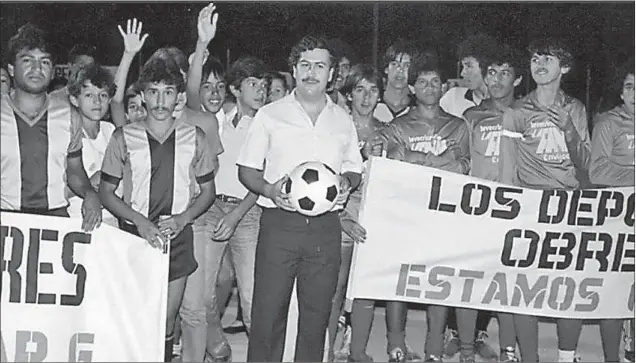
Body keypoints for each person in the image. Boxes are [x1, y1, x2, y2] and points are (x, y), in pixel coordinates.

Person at [237, 34, 363, 361]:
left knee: (316, 318)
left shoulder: (342, 119)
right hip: (280, 226)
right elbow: (247, 170)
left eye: (320, 65)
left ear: (332, 73)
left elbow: (354, 167)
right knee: (267, 316)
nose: (311, 72)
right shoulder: (270, 114)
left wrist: (346, 183)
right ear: (293, 69)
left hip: (325, 229)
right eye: (305, 64)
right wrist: (269, 191)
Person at [99, 55, 218, 363]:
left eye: (168, 91)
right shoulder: (124, 136)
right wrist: (138, 221)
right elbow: (106, 191)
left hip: (176, 239)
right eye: (153, 91)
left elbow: (208, 191)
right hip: (134, 239)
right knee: (136, 316)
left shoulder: (196, 137)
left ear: (178, 95)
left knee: (166, 318)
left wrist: (183, 218)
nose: (160, 99)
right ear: (143, 95)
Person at [366, 54, 470, 363]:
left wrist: (418, 157)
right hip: (407, 214)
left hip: (443, 215)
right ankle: (395, 345)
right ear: (413, 87)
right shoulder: (398, 125)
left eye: (435, 82)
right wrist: (440, 161)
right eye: (422, 82)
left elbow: (465, 166)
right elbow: (391, 158)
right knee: (401, 281)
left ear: (443, 87)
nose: (428, 87)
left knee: (438, 282)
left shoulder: (458, 125)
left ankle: (434, 347)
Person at [499, 38, 591, 363]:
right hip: (529, 207)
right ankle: (529, 358)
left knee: (569, 284)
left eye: (548, 58)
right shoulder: (516, 112)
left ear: (564, 67)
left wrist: (569, 130)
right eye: (535, 57)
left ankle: (567, 355)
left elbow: (586, 167)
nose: (539, 63)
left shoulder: (576, 109)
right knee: (526, 287)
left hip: (568, 207)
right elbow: (507, 171)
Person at [1, 23, 101, 231]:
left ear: (53, 71)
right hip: (7, 222)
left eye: (44, 62)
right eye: (27, 60)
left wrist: (89, 193)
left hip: (55, 224)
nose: (37, 69)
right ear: (11, 68)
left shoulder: (69, 115)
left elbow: (74, 169)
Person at [462, 44, 524, 363]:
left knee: (510, 285)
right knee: (475, 281)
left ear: (518, 78)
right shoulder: (472, 116)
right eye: (491, 72)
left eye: (505, 73)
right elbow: (461, 163)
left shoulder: (528, 114)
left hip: (517, 211)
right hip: (479, 210)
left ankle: (508, 348)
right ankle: (467, 347)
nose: (497, 79)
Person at [321, 63, 386, 362]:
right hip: (340, 213)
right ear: (348, 93)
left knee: (365, 288)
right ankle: (326, 350)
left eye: (373, 90)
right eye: (360, 89)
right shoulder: (335, 127)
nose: (366, 96)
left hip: (373, 216)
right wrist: (339, 217)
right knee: (335, 288)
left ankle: (355, 349)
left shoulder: (387, 132)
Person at [589, 60, 634, 363]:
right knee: (618, 289)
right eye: (630, 87)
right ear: (621, 92)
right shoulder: (609, 123)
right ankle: (617, 352)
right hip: (620, 218)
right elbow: (598, 171)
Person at [66, 63, 119, 227]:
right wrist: (89, 184)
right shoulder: (65, 134)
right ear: (74, 99)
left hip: (111, 220)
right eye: (89, 95)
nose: (97, 101)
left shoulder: (111, 131)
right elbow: (57, 192)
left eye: (103, 95)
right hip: (76, 220)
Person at [440, 34, 499, 120]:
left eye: (468, 66)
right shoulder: (452, 98)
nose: (462, 73)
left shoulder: (503, 104)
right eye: (463, 67)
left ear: (488, 67)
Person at [111, 18, 149, 126]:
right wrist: (128, 54)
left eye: (144, 105)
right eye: (132, 106)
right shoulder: (125, 132)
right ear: (126, 115)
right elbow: (116, 101)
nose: (139, 111)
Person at [373, 39, 418, 124]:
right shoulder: (372, 101)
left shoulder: (419, 106)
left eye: (406, 65)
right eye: (394, 64)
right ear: (386, 68)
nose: (400, 70)